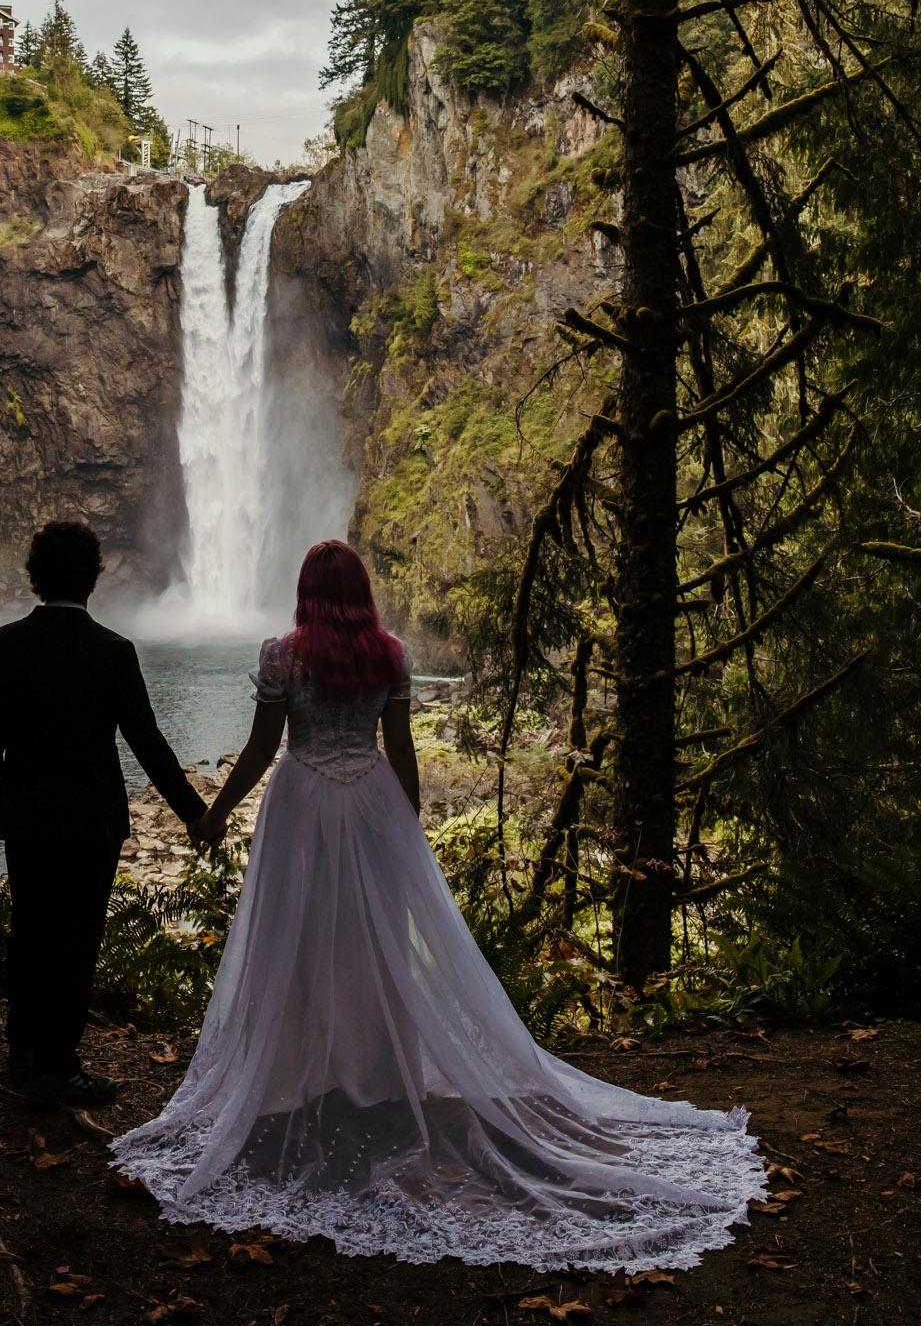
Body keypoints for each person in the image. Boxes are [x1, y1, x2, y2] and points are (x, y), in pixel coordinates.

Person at [111, 540, 767, 1271]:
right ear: (360, 593)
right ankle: (379, 1069)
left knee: (293, 937)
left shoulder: (280, 657)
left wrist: (215, 815)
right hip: (368, 801)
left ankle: (296, 1075)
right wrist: (405, 828)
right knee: (377, 941)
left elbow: (263, 748)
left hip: (300, 804)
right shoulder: (386, 654)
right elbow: (399, 748)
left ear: (304, 591)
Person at [0, 520, 207, 1109]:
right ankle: (62, 1065)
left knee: (28, 932)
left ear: (34, 577)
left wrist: (8, 809)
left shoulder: (1, 647)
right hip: (92, 824)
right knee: (76, 940)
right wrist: (195, 813)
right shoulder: (113, 652)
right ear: (95, 577)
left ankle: (23, 1054)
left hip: (27, 820)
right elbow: (147, 742)